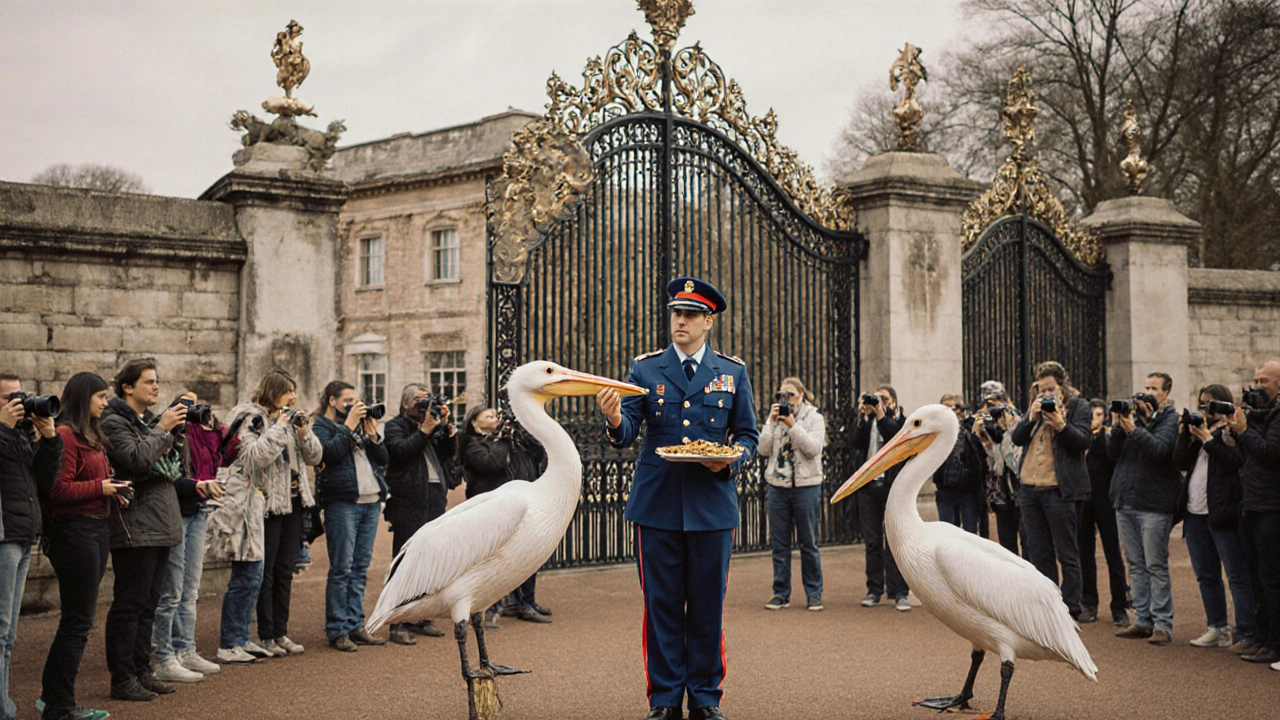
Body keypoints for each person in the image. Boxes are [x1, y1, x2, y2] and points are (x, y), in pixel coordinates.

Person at [595, 277, 758, 720]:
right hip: (658, 504)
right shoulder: (646, 369)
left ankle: (706, 697)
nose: (679, 321)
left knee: (707, 608)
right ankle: (664, 698)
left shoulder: (732, 372)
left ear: (709, 321)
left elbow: (747, 435)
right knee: (661, 607)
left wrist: (731, 459)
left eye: (689, 315)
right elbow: (626, 432)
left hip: (711, 506)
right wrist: (613, 417)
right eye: (675, 313)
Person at [209, 370, 320, 664]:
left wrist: (304, 431)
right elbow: (251, 457)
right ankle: (262, 635)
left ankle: (278, 632)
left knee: (284, 570)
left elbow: (315, 458)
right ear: (273, 391)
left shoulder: (290, 420)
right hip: (264, 504)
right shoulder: (249, 416)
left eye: (294, 392)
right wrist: (280, 429)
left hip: (294, 502)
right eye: (288, 391)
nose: (294, 398)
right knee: (262, 573)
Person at [100, 358, 187, 701]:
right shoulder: (114, 422)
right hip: (134, 524)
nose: (156, 387)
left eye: (157, 381)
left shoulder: (149, 422)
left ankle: (141, 670)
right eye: (149, 381)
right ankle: (122, 679)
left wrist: (173, 433)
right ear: (127, 387)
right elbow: (136, 460)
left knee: (149, 603)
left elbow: (174, 469)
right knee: (129, 604)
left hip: (160, 522)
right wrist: (163, 430)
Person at [39, 373, 121, 720]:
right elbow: (56, 491)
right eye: (100, 397)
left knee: (78, 621)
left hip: (95, 528)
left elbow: (93, 482)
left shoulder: (90, 435)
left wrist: (115, 490)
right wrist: (99, 489)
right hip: (75, 533)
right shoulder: (66, 434)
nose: (106, 403)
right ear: (82, 397)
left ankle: (53, 698)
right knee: (78, 622)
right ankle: (59, 705)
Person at [151, 392, 226, 684]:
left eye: (197, 405)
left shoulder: (199, 433)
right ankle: (165, 655)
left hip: (197, 510)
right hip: (175, 513)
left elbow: (219, 456)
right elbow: (169, 475)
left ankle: (186, 648)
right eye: (187, 405)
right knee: (172, 589)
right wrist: (198, 485)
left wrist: (213, 427)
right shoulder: (165, 430)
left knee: (191, 587)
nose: (194, 410)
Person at [1176, 384, 1257, 652]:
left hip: (1223, 513)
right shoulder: (1200, 432)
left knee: (1236, 575)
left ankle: (1246, 631)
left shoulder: (1232, 431)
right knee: (1206, 575)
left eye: (1210, 404)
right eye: (1202, 404)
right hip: (1195, 513)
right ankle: (1217, 627)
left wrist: (1208, 439)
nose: (1205, 410)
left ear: (1223, 405)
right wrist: (1184, 435)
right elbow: (1180, 462)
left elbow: (1234, 462)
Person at [1010, 361, 1092, 622]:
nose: (1045, 394)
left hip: (1059, 490)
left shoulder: (1079, 406)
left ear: (1061, 387)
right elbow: (1017, 438)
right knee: (1038, 553)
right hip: (1030, 489)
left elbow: (1083, 440)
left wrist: (1060, 423)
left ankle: (1071, 609)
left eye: (1050, 389)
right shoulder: (1034, 408)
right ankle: (1047, 607)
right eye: (1041, 389)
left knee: (1067, 553)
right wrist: (1031, 416)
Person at [0, 374, 61, 720]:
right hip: (4, 536)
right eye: (9, 396)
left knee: (8, 634)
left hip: (23, 533)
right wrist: (4, 429)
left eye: (21, 395)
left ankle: (4, 704)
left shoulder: (22, 435)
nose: (19, 402)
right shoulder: (5, 433)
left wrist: (50, 438)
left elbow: (46, 480)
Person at [313, 381, 389, 652]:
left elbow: (382, 459)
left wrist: (373, 435)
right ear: (332, 401)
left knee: (360, 568)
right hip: (343, 503)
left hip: (370, 502)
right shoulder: (321, 426)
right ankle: (337, 628)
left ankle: (356, 624)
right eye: (347, 401)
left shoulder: (358, 427)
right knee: (342, 568)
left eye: (355, 400)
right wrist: (349, 426)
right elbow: (328, 455)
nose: (353, 405)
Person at [457, 406, 549, 628]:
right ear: (475, 423)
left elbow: (539, 453)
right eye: (489, 416)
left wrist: (523, 431)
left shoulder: (508, 439)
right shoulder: (472, 443)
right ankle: (488, 608)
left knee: (527, 553)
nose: (496, 419)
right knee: (492, 558)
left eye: (496, 415)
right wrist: (504, 439)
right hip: (490, 510)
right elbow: (491, 464)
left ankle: (525, 602)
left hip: (520, 503)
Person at [383, 383, 458, 644]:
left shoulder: (433, 425)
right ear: (405, 404)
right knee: (404, 563)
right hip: (408, 500)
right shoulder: (394, 426)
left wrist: (448, 430)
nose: (424, 403)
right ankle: (397, 623)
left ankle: (422, 617)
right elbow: (401, 452)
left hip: (435, 498)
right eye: (417, 399)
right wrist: (425, 429)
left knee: (430, 562)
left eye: (427, 398)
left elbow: (449, 455)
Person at [1110, 372, 1181, 646]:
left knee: (1155, 565)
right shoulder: (1132, 418)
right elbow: (1112, 453)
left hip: (1154, 504)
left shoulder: (1170, 419)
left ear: (1165, 393)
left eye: (1154, 388)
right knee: (1136, 565)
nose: (1147, 392)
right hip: (1125, 500)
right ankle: (1142, 619)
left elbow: (1159, 450)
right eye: (1145, 386)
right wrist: (1120, 425)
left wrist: (1134, 429)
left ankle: (1162, 624)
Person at [1225, 358, 1280, 667]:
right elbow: (1247, 455)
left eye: (1264, 382)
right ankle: (1261, 636)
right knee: (1256, 577)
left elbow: (1272, 455)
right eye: (1255, 381)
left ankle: (1275, 642)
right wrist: (1235, 432)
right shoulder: (1261, 416)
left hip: (1272, 507)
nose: (1257, 387)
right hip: (1253, 504)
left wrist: (1245, 432)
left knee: (1272, 579)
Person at [759, 376, 827, 611]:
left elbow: (813, 448)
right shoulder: (775, 419)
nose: (785, 400)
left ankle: (814, 592)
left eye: (790, 395)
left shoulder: (815, 418)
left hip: (807, 486)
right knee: (779, 544)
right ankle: (780, 592)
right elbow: (763, 449)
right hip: (778, 487)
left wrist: (792, 425)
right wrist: (770, 421)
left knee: (809, 543)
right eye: (781, 395)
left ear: (802, 395)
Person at [851, 385, 910, 611]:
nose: (878, 402)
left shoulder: (902, 420)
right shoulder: (866, 421)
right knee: (872, 541)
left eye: (883, 398)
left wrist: (881, 414)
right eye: (875, 398)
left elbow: (894, 438)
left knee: (895, 540)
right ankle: (874, 589)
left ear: (893, 400)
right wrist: (862, 416)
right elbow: (855, 442)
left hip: (893, 487)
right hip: (869, 487)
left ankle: (900, 591)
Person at [1078, 399, 1128, 626]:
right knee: (1084, 553)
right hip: (1082, 499)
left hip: (1104, 498)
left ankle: (1120, 606)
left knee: (1112, 553)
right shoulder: (1078, 439)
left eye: (1097, 415)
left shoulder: (1106, 438)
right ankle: (1089, 602)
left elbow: (1112, 456)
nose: (1092, 419)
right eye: (1089, 414)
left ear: (1104, 417)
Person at [971, 384, 1023, 555]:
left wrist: (1007, 430)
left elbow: (1015, 464)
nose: (994, 410)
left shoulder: (1018, 423)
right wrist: (985, 438)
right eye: (989, 405)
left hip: (1019, 491)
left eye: (997, 403)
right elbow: (994, 464)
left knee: (1027, 541)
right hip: (1001, 493)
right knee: (1007, 545)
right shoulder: (990, 428)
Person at [934, 394, 986, 535]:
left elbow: (979, 449)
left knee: (969, 532)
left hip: (967, 487)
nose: (950, 411)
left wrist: (963, 418)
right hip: (945, 487)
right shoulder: (935, 429)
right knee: (947, 531)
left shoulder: (968, 426)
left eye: (954, 407)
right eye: (946, 407)